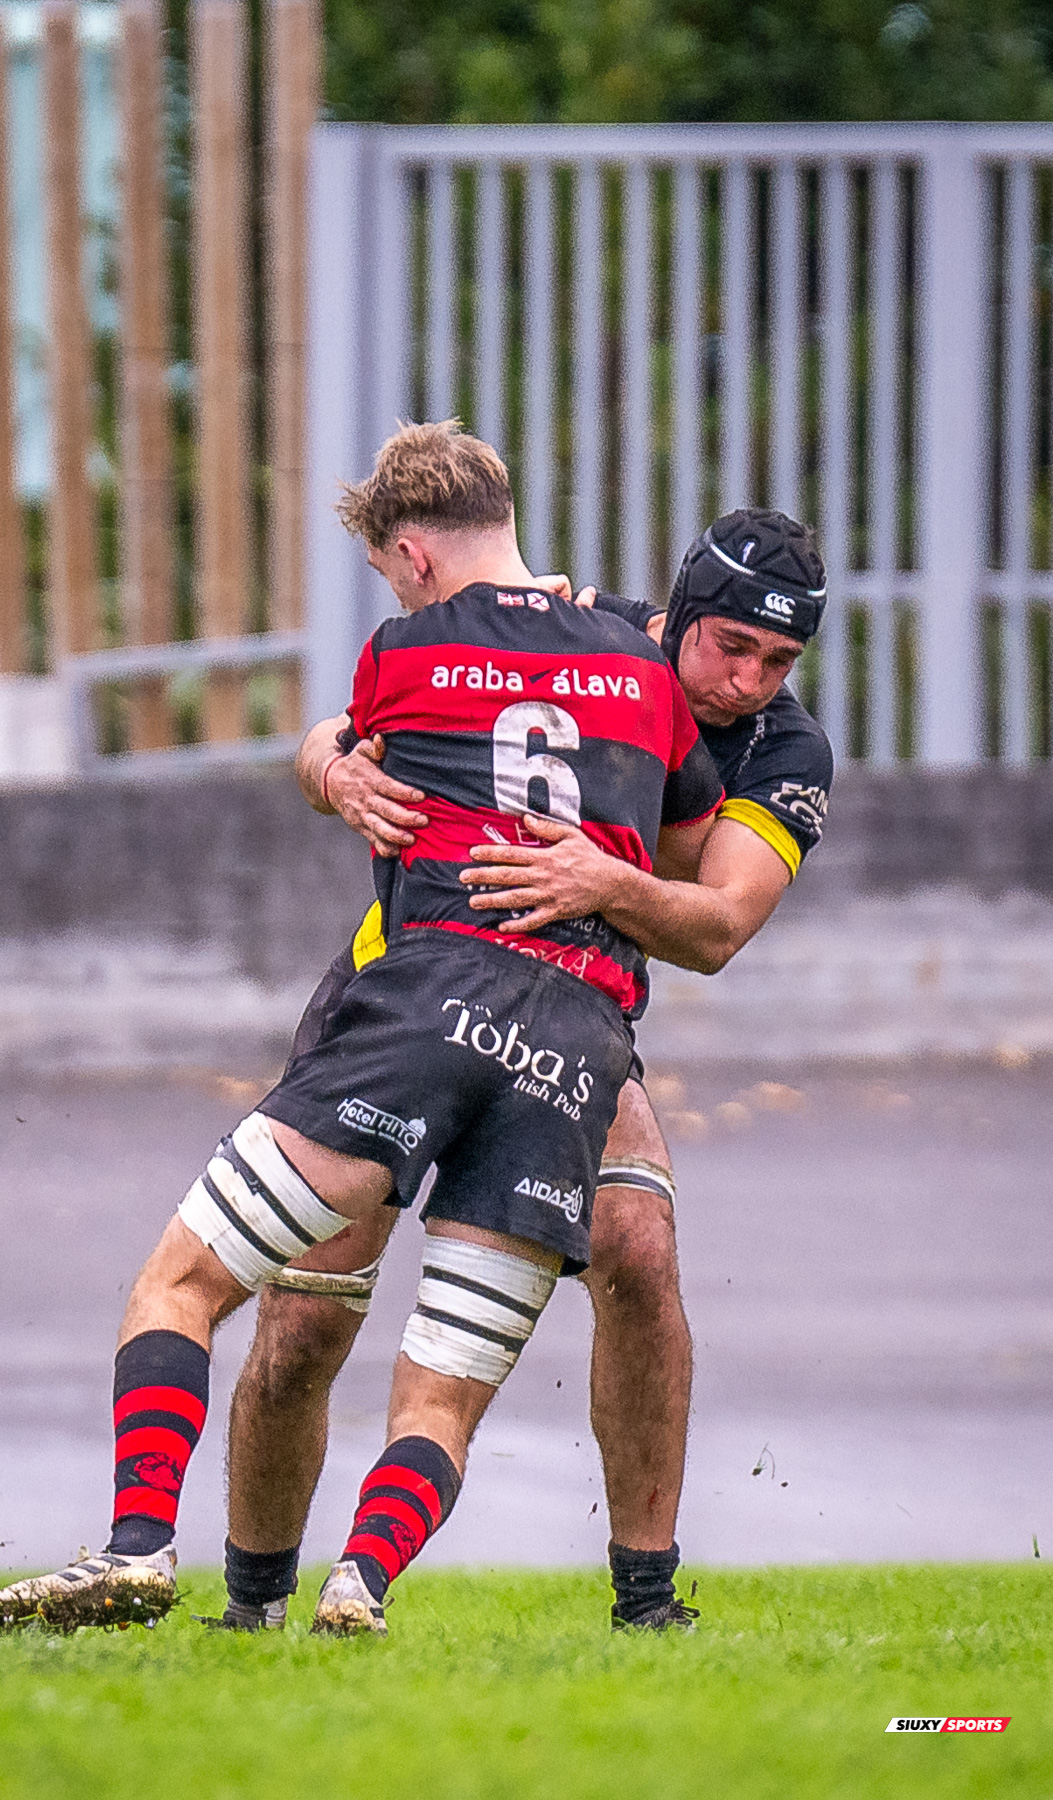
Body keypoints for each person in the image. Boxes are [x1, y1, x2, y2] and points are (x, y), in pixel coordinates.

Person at [0, 421, 725, 1638]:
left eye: (385, 570)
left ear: (413, 556)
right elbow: (687, 845)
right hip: (575, 1047)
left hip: (422, 1007)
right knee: (441, 1393)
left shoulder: (404, 653)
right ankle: (359, 1584)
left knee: (186, 1282)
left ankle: (136, 1548)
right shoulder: (642, 668)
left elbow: (357, 749)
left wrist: (328, 760)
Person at [216, 502, 833, 1635]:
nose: (748, 680)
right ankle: (251, 1607)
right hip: (396, 993)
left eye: (779, 659)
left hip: (569, 1021)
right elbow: (343, 725)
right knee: (306, 1317)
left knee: (640, 1252)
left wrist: (607, 886)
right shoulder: (583, 632)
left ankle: (647, 1601)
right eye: (730, 646)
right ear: (681, 613)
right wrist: (329, 772)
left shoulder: (784, 751)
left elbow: (718, 926)